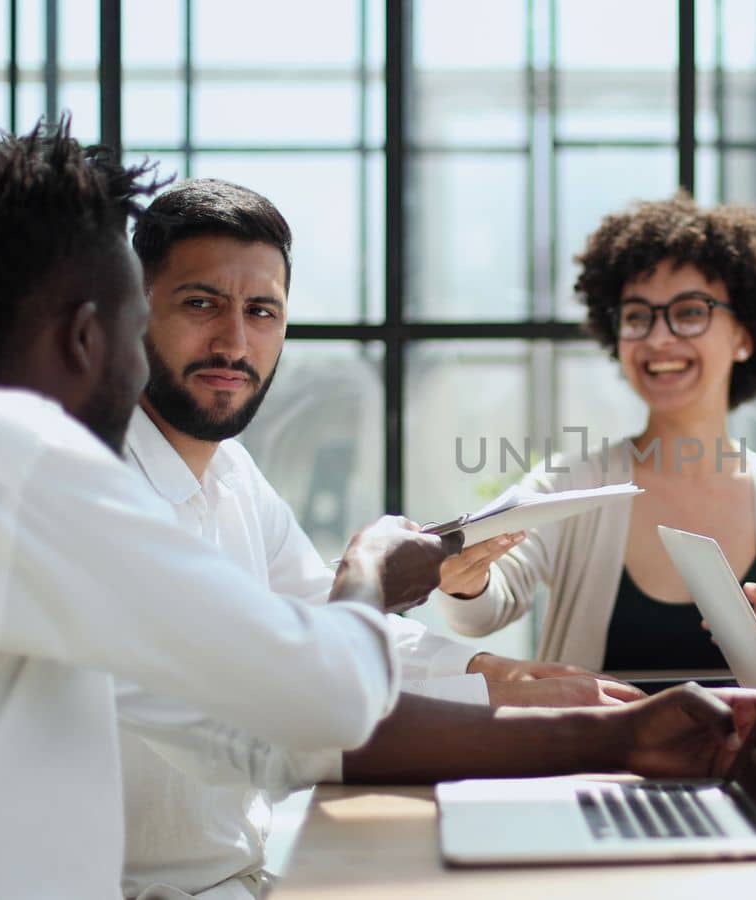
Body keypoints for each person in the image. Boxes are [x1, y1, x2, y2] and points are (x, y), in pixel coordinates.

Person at [0, 121, 434, 898]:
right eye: (134, 328)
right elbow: (326, 700)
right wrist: (371, 570)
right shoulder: (16, 459)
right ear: (86, 336)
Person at [118, 178, 652, 899]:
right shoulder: (103, 497)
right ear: (133, 312)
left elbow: (314, 618)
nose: (235, 342)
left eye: (262, 311)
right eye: (201, 303)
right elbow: (286, 720)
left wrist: (507, 679)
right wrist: (372, 581)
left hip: (243, 877)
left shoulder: (233, 474)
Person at [434, 193, 756, 747]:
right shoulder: (573, 483)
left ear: (744, 335)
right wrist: (466, 580)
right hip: (598, 780)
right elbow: (483, 610)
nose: (659, 338)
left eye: (690, 312)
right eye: (638, 317)